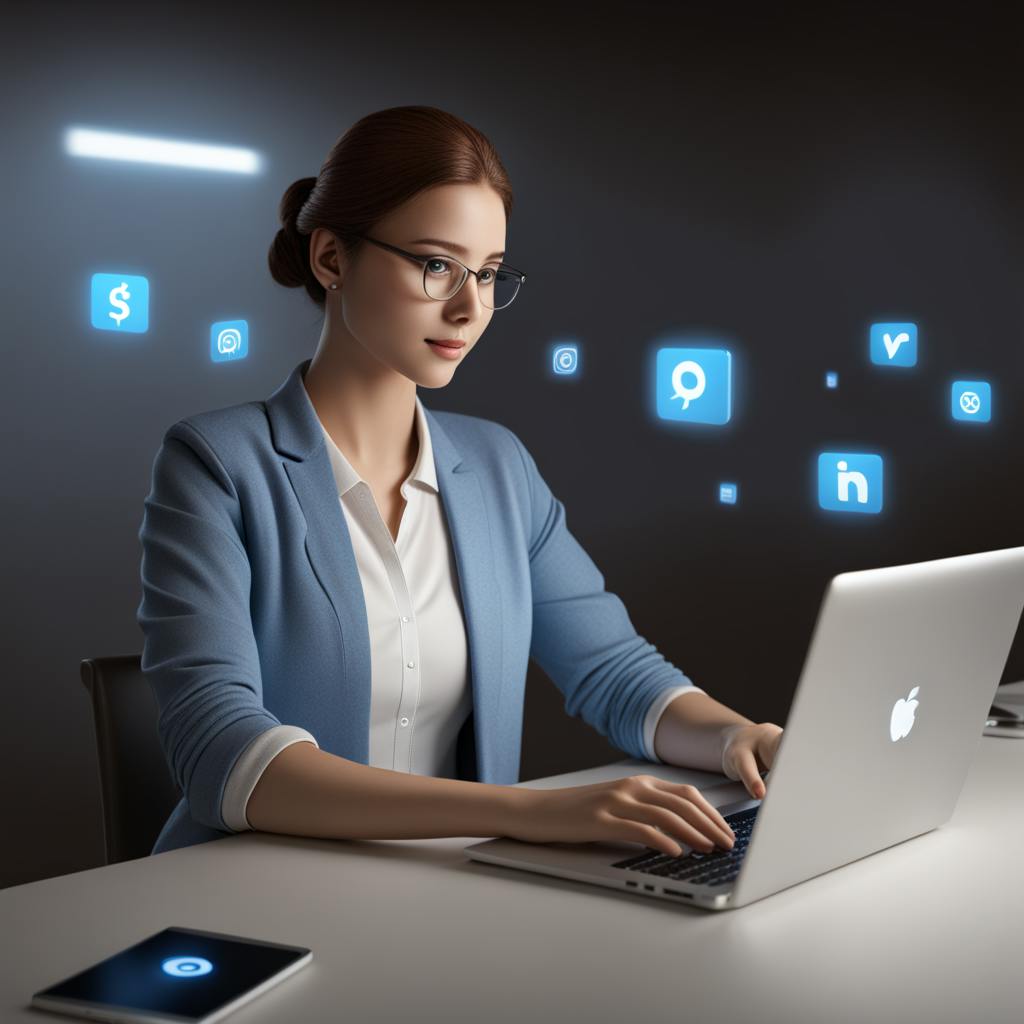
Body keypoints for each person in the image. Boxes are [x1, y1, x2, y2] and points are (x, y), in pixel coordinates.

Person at [138, 104, 783, 860]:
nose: (470, 308)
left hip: (449, 897)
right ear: (331, 259)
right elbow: (221, 750)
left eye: (487, 273)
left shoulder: (498, 468)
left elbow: (613, 671)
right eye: (435, 265)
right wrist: (523, 812)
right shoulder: (216, 464)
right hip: (259, 901)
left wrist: (737, 734)